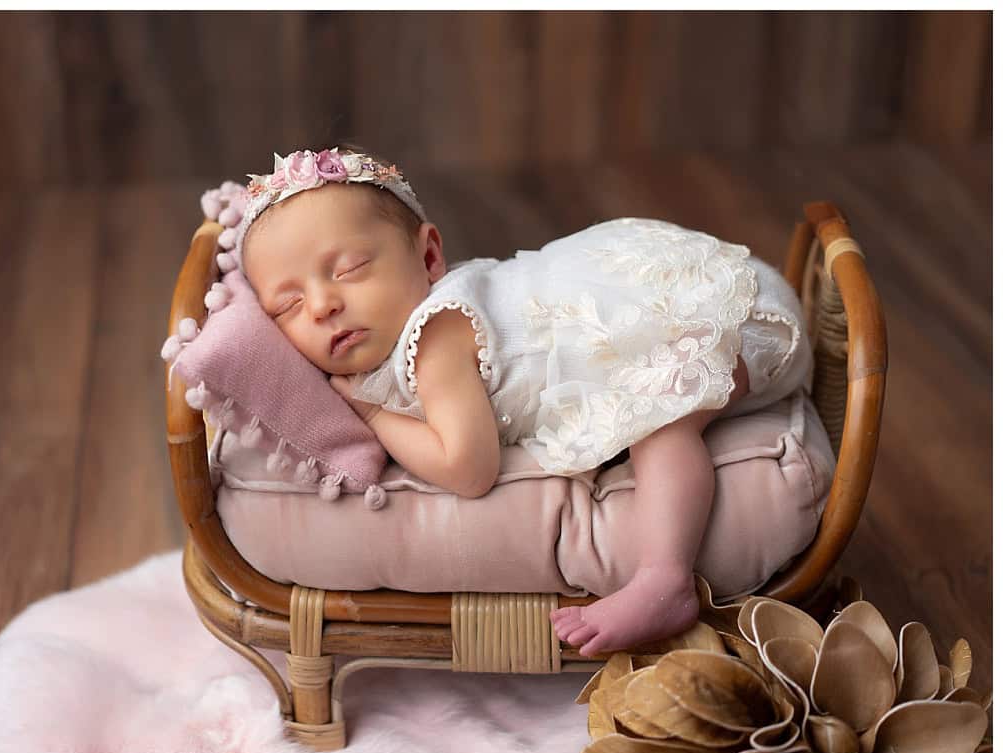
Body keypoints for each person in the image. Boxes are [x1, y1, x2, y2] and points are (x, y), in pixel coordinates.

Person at [217, 145, 812, 657]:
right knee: (652, 404)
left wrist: (374, 415)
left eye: (349, 269)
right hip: (696, 283)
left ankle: (665, 579)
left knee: (661, 417)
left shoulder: (437, 334)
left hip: (731, 318)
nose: (321, 306)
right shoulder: (406, 333)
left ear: (427, 258)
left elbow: (468, 469)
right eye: (286, 307)